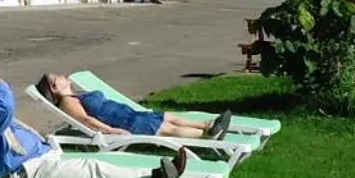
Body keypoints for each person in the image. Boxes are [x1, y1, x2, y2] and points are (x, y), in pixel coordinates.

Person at [0, 68, 189, 178]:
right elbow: (6, 107)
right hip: (26, 177)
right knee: (91, 171)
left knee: (94, 168)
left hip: (39, 165)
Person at [34, 73, 233, 141]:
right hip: (125, 122)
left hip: (129, 115)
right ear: (54, 88)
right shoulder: (68, 101)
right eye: (57, 78)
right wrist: (111, 131)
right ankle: (208, 135)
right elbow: (86, 120)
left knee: (168, 117)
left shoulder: (75, 95)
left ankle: (208, 125)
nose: (62, 76)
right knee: (168, 129)